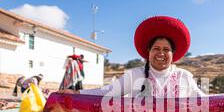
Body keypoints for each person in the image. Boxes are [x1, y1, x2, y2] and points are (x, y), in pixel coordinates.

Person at [72, 16, 205, 98]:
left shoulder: (184, 76)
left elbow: (204, 100)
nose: (161, 53)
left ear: (172, 53)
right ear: (149, 51)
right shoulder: (135, 75)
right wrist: (77, 94)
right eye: (156, 49)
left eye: (166, 49)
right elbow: (108, 91)